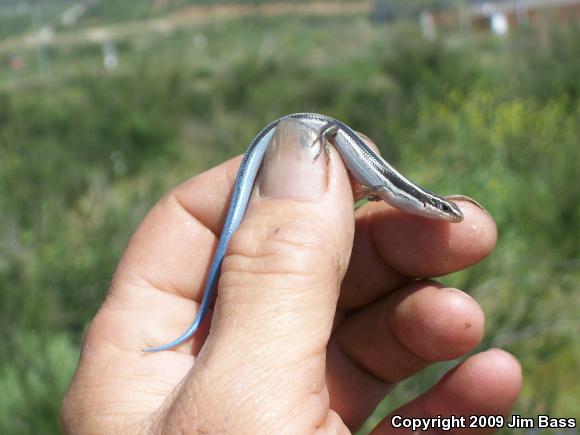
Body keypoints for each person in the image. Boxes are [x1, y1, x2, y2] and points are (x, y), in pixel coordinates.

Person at [61, 125, 521, 434]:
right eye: (443, 208)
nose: (445, 214)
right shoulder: (394, 190)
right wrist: (313, 147)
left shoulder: (392, 191)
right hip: (314, 128)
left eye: (444, 210)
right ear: (427, 203)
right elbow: (348, 145)